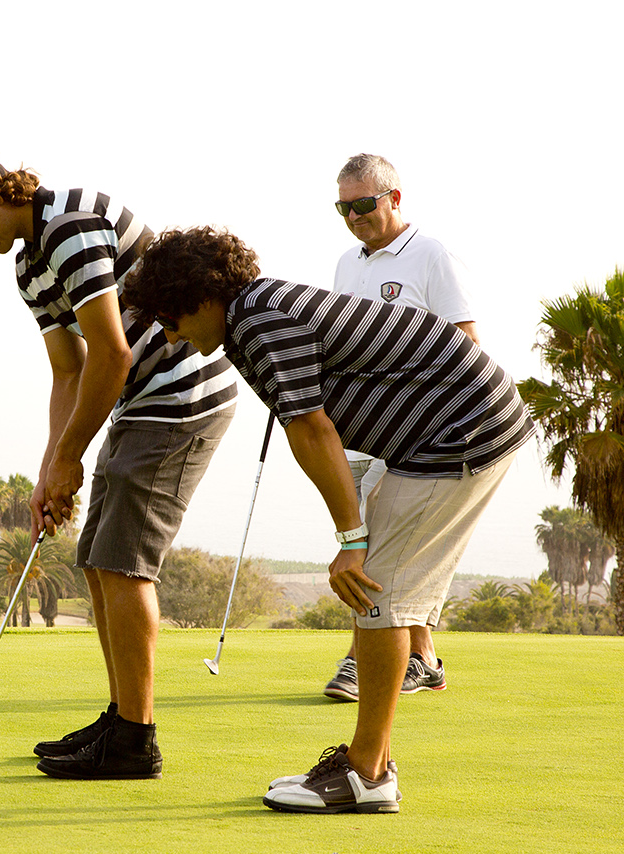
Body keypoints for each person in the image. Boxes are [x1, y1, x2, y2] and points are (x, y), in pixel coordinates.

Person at [122, 226, 533, 812]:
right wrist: (354, 532)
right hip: (448, 433)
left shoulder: (259, 319)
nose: (170, 333)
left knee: (378, 594)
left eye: (171, 316)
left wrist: (352, 539)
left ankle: (366, 776)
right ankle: (372, 766)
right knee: (378, 595)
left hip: (462, 431)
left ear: (203, 296)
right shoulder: (252, 318)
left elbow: (313, 430)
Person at [0, 153, 239, 779]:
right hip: (142, 404)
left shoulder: (70, 224)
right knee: (98, 559)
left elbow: (113, 355)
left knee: (122, 563)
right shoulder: (28, 265)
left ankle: (135, 740)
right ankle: (123, 716)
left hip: (182, 396)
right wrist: (49, 470)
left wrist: (72, 456)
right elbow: (68, 369)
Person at [323, 153, 480, 704]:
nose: (352, 216)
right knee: (379, 539)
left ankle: (357, 661)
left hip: (418, 429)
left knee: (378, 545)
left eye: (362, 204)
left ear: (394, 198)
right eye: (342, 207)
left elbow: (467, 347)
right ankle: (424, 658)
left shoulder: (431, 256)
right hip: (361, 429)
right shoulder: (348, 262)